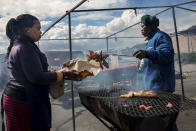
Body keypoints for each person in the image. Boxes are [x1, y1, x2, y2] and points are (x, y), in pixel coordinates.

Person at [1, 14, 80, 131]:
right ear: (27, 29)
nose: (40, 31)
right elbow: (36, 77)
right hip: (24, 100)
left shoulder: (20, 45)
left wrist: (52, 73)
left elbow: (32, 72)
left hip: (17, 96)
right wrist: (63, 74)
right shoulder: (25, 48)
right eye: (38, 28)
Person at [133, 15, 177, 131]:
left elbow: (167, 55)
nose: (141, 29)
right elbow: (150, 59)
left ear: (151, 26)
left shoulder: (161, 36)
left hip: (161, 88)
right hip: (151, 88)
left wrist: (147, 54)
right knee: (157, 121)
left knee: (165, 121)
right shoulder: (150, 41)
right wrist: (141, 64)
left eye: (143, 26)